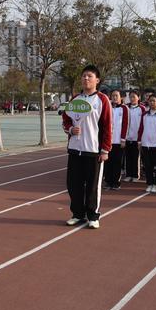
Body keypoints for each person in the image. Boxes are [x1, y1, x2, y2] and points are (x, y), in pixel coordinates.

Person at [61, 65, 112, 229]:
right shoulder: (75, 99)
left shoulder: (102, 100)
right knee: (73, 183)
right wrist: (70, 129)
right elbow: (66, 119)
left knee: (92, 185)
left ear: (97, 80)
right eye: (83, 76)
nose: (86, 79)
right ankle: (77, 214)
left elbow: (107, 126)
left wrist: (105, 150)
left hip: (94, 150)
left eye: (89, 76)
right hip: (75, 149)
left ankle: (93, 216)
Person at [138, 95, 156, 193]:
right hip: (146, 144)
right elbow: (141, 128)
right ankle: (150, 183)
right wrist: (139, 141)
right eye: (150, 101)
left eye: (154, 101)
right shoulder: (145, 115)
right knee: (148, 165)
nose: (152, 103)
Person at [104, 90, 129, 190]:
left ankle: (116, 182)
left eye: (116, 95)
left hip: (118, 141)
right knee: (107, 162)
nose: (114, 97)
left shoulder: (124, 108)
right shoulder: (108, 107)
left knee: (117, 162)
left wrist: (123, 139)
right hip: (108, 141)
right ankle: (108, 181)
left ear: (121, 97)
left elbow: (126, 124)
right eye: (113, 95)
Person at [123, 90, 145, 182]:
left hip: (137, 137)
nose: (132, 99)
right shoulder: (125, 108)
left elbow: (143, 123)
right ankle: (128, 174)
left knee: (136, 157)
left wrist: (140, 138)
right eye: (130, 97)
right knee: (127, 157)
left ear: (138, 98)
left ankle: (135, 175)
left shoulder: (142, 109)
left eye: (134, 97)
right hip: (127, 137)